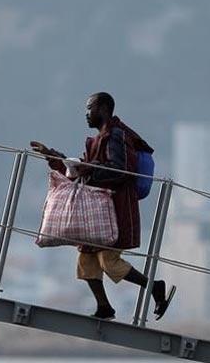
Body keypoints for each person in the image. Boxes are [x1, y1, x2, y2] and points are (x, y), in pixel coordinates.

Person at [31, 92, 175, 321]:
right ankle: (104, 307)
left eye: (90, 108)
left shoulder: (116, 136)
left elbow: (119, 170)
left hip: (115, 210)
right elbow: (78, 169)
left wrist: (89, 168)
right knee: (86, 260)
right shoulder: (98, 140)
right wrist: (52, 156)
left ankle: (154, 287)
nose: (86, 114)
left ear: (104, 109)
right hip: (98, 213)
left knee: (108, 261)